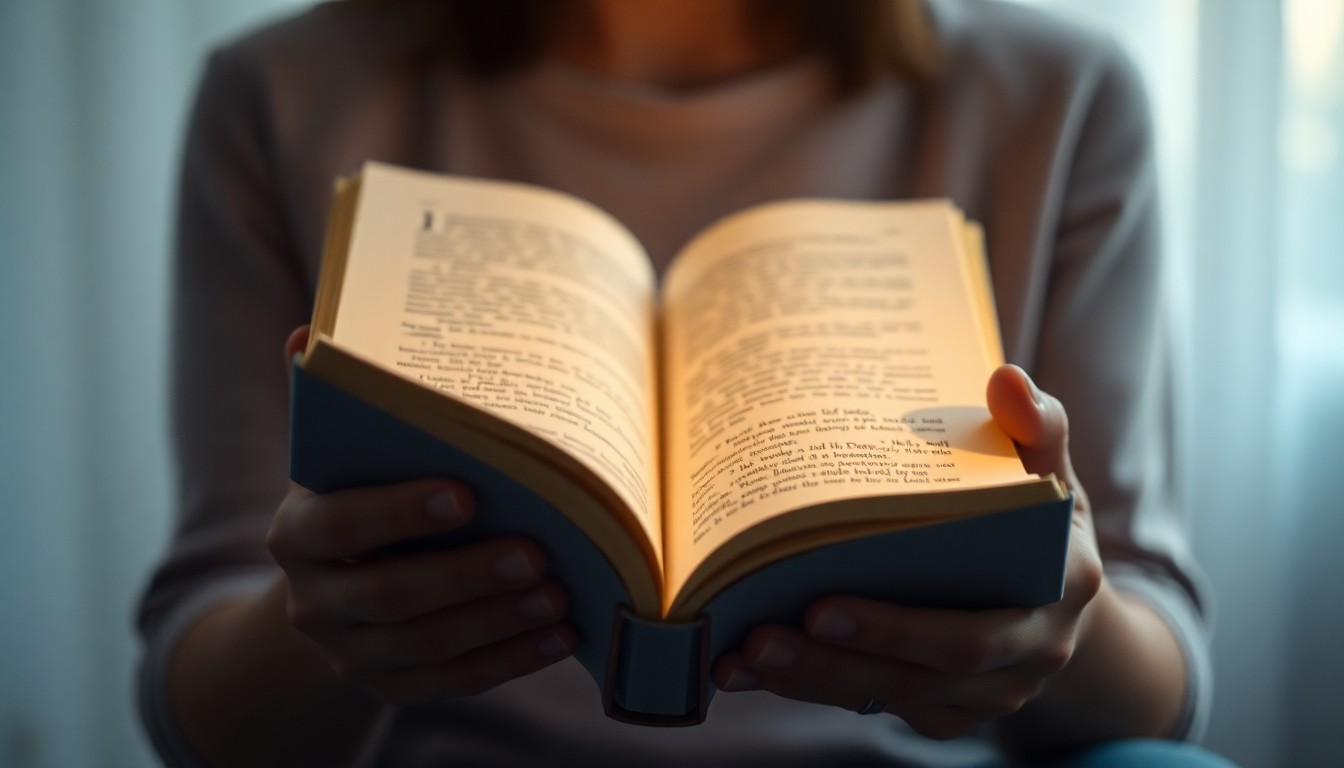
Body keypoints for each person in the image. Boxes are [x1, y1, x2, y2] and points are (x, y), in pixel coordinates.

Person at [137, 1, 1233, 765]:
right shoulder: (282, 92)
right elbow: (200, 707)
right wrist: (323, 629)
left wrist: (1056, 620)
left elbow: (1162, 684)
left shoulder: (1059, 96)